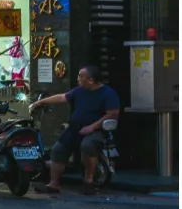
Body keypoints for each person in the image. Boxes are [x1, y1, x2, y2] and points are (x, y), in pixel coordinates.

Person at [32, 65, 121, 196]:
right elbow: (63, 97)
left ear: (90, 80)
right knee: (58, 149)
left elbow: (113, 114)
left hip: (96, 130)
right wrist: (40, 102)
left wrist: (92, 127)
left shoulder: (108, 93)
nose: (78, 79)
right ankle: (54, 184)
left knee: (87, 145)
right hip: (75, 128)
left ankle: (89, 181)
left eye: (81, 76)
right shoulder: (79, 91)